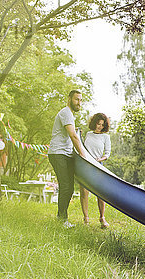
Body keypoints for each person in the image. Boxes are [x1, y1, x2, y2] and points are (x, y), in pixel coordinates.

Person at [48, 90, 87, 228]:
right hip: (58, 153)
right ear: (69, 99)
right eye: (77, 99)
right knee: (65, 186)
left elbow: (72, 132)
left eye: (81, 100)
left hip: (66, 154)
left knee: (69, 188)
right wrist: (83, 155)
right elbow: (72, 136)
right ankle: (62, 220)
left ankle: (61, 218)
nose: (79, 103)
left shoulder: (69, 115)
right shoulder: (66, 112)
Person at [79, 113, 111, 228]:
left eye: (102, 125)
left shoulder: (105, 137)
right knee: (84, 192)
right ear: (94, 123)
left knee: (100, 193)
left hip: (98, 165)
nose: (99, 127)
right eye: (98, 124)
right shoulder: (88, 134)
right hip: (85, 164)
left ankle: (102, 218)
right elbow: (82, 147)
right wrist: (80, 137)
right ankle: (86, 218)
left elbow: (107, 153)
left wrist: (99, 159)